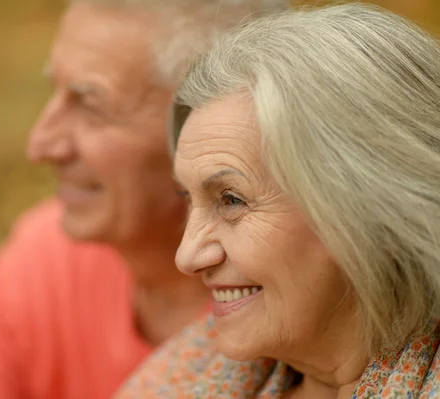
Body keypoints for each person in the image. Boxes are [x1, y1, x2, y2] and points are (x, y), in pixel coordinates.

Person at [0, 1, 289, 398]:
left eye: (90, 106)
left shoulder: (297, 307)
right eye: (55, 93)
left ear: (208, 125)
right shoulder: (44, 261)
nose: (41, 145)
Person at [115, 4, 440, 399]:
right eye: (188, 199)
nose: (188, 256)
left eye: (231, 200)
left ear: (379, 208)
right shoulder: (180, 376)